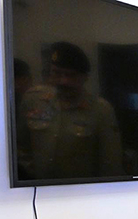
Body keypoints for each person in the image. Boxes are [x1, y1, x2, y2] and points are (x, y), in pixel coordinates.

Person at [17, 42, 123, 181]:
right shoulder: (33, 99)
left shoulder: (101, 110)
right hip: (36, 191)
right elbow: (20, 144)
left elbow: (110, 163)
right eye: (56, 73)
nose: (63, 81)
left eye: (70, 75)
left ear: (85, 77)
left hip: (80, 195)